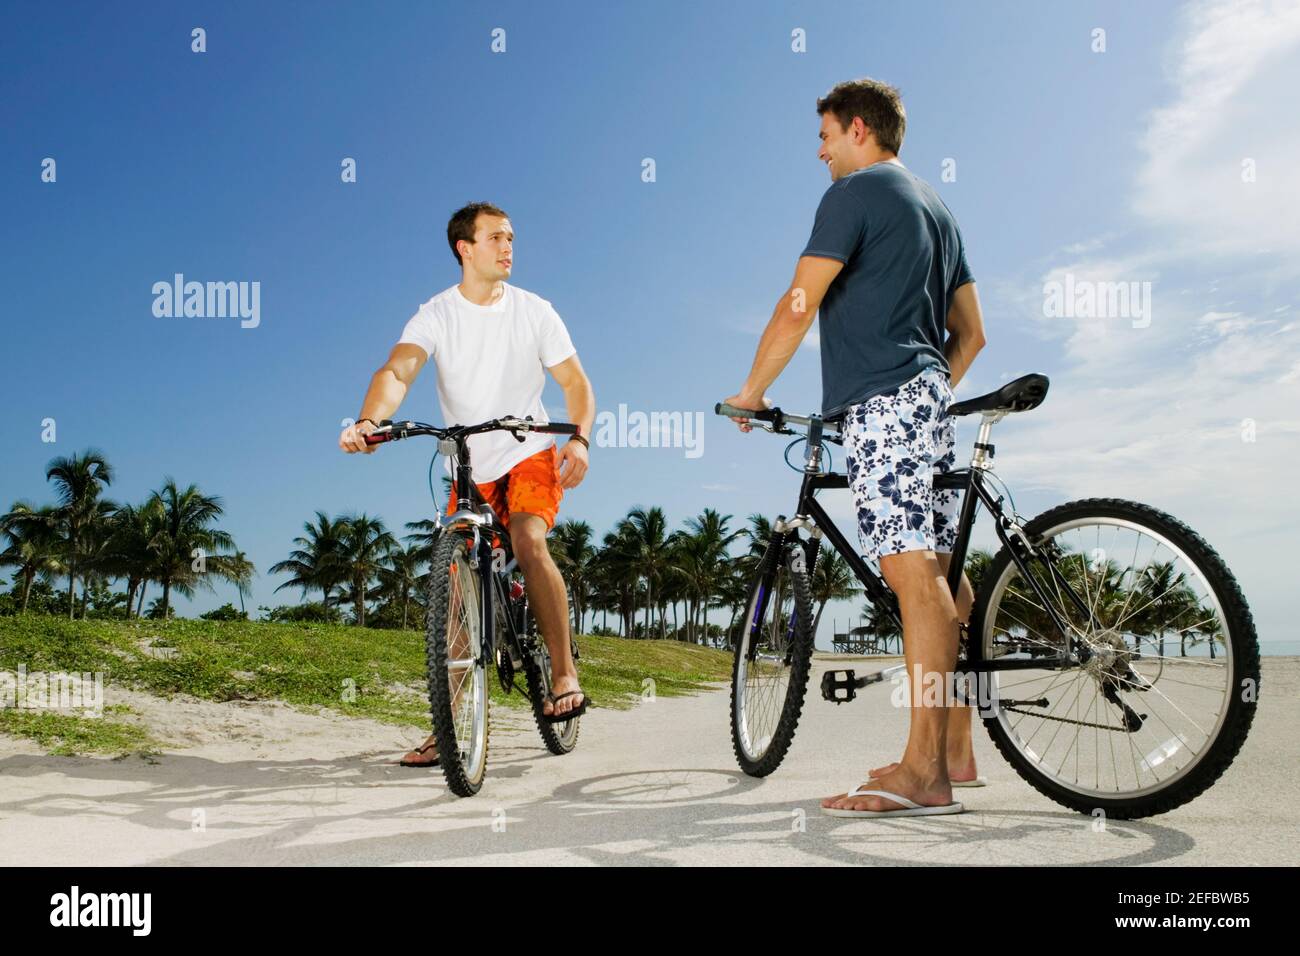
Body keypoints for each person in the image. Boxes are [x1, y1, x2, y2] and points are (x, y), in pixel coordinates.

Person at [721, 79, 987, 817]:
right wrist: (925, 384)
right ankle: (956, 751)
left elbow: (798, 303)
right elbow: (972, 335)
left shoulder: (855, 193)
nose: (821, 149)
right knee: (941, 574)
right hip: (927, 397)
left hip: (884, 403)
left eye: (827, 135)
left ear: (860, 131)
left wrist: (750, 391)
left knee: (910, 571)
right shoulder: (937, 208)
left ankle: (922, 774)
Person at [340, 202, 596, 766]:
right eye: (497, 238)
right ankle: (450, 727)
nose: (509, 247)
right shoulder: (435, 314)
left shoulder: (534, 311)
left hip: (529, 451)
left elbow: (576, 383)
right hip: (467, 462)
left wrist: (578, 439)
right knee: (456, 590)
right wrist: (370, 420)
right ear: (465, 248)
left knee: (528, 541)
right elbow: (398, 370)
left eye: (512, 238)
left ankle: (562, 674)